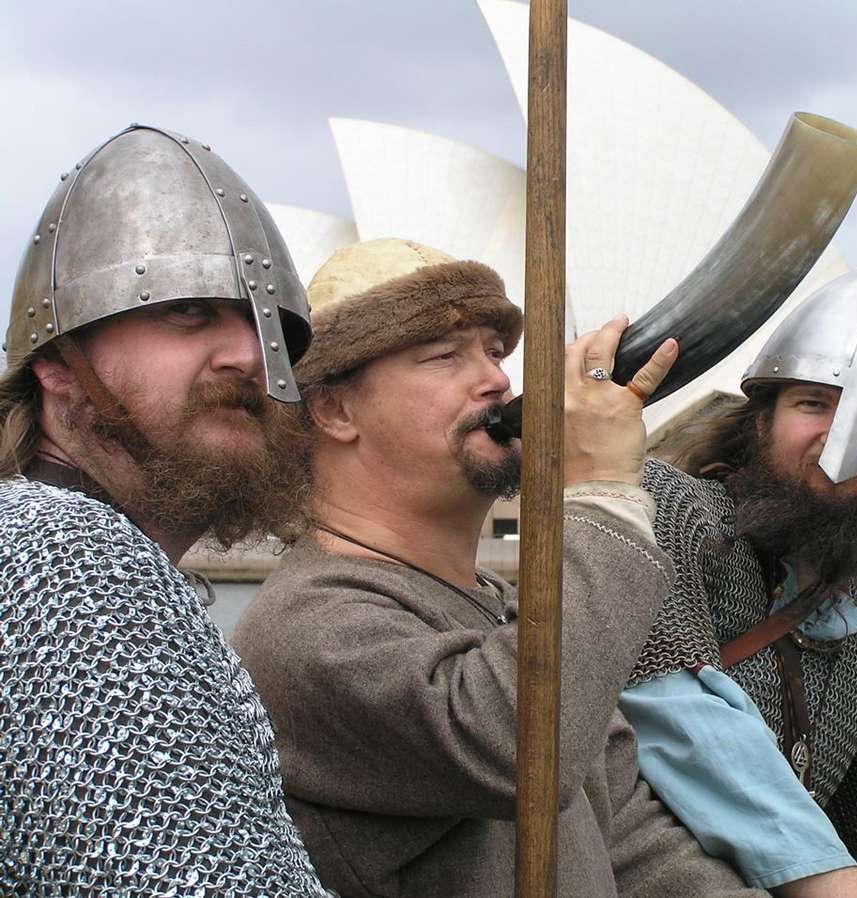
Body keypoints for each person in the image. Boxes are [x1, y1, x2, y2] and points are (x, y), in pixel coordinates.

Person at [231, 237, 768, 898]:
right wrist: (601, 490)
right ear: (336, 410)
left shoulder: (503, 607)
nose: (496, 380)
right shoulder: (304, 627)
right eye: (443, 357)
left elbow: (626, 837)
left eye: (491, 351)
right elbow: (519, 749)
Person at [0, 125, 329, 894]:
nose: (248, 356)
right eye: (187, 313)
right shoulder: (63, 559)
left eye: (266, 325)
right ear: (57, 367)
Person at [620, 261, 857, 898]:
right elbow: (665, 702)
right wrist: (830, 884)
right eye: (813, 403)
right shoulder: (667, 511)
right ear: (763, 421)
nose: (838, 437)